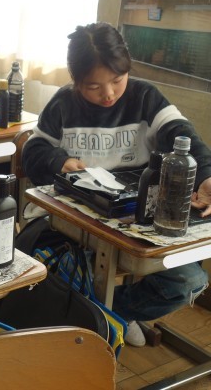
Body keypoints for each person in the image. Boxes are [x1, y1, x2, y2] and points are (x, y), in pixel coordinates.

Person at [22, 22, 211, 347]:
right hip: (72, 224)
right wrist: (58, 161)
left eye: (117, 80)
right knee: (54, 271)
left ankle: (108, 316)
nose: (108, 94)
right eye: (93, 86)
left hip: (133, 222)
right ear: (76, 79)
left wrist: (206, 174)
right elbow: (33, 151)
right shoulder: (64, 103)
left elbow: (182, 135)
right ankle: (96, 317)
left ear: (128, 69)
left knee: (187, 281)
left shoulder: (145, 97)